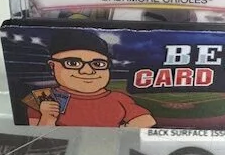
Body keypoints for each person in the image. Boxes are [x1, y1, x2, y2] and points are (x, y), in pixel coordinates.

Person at [23, 31, 155, 128]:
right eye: (73, 63)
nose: (87, 71)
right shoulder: (42, 97)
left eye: (98, 64)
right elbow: (35, 138)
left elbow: (147, 120)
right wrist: (47, 118)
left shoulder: (118, 98)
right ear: (52, 66)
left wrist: (119, 133)